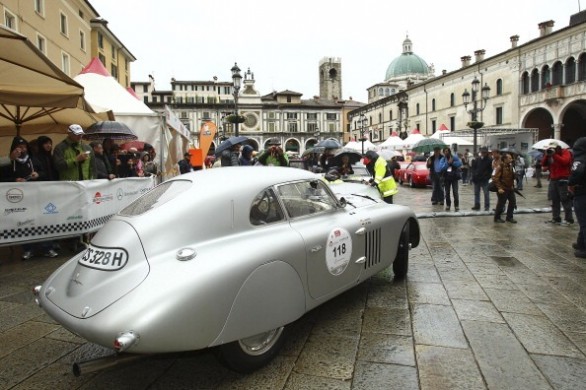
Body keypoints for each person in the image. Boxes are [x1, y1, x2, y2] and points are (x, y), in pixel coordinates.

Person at [5, 136, 58, 259]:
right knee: (24, 222)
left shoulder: (33, 159)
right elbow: (3, 178)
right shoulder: (10, 162)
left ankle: (47, 247)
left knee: (42, 220)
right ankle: (28, 249)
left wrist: (38, 174)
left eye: (24, 147)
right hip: (20, 198)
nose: (22, 150)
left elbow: (44, 173)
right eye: (19, 148)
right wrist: (14, 179)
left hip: (36, 195)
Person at [541, 141, 574, 225]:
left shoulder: (565, 152)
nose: (552, 149)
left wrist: (554, 155)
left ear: (558, 147)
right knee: (554, 200)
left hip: (563, 179)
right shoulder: (549, 154)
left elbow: (565, 161)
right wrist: (546, 154)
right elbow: (543, 164)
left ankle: (569, 219)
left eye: (554, 148)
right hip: (553, 179)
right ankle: (556, 218)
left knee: (565, 199)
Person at [568, 137, 586, 258]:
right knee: (583, 221)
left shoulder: (580, 159)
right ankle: (581, 244)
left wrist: (571, 183)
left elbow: (577, 172)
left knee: (584, 221)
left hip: (581, 192)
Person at [492, 152, 517, 223]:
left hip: (510, 188)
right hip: (502, 188)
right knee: (501, 203)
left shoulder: (511, 166)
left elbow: (513, 177)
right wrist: (499, 188)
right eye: (509, 158)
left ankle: (509, 217)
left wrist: (515, 174)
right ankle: (497, 218)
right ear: (505, 159)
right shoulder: (499, 167)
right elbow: (495, 177)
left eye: (511, 158)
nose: (511, 159)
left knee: (512, 202)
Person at [438, 147, 462, 211]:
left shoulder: (454, 157)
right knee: (447, 192)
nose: (446, 152)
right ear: (443, 152)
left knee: (455, 192)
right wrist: (448, 163)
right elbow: (441, 168)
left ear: (449, 151)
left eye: (447, 151)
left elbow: (459, 164)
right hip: (446, 178)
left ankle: (456, 205)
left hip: (454, 177)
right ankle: (448, 205)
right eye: (445, 151)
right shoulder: (443, 159)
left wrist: (452, 163)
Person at [471, 147, 493, 211]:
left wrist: (487, 176)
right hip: (477, 179)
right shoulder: (477, 159)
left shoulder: (489, 160)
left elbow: (490, 170)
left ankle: (487, 206)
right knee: (476, 193)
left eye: (484, 152)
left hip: (485, 180)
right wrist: (474, 175)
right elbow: (474, 168)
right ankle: (477, 205)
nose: (483, 153)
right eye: (482, 152)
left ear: (486, 153)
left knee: (486, 193)